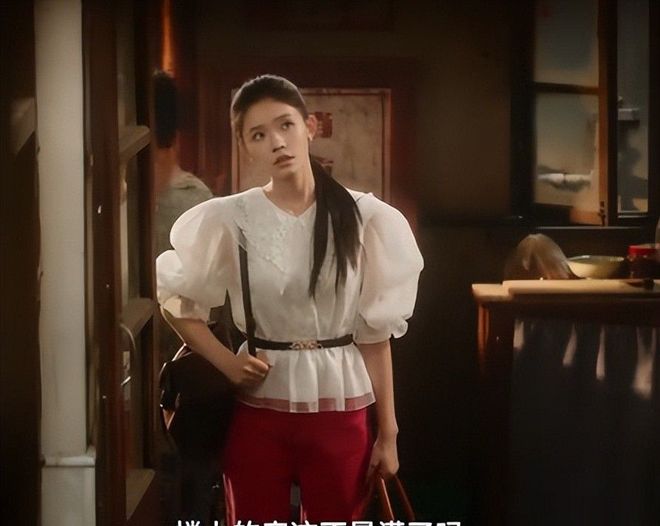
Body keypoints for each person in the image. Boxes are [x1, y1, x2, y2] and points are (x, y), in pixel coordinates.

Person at [156, 74, 424, 522]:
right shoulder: (230, 217)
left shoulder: (363, 216)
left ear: (310, 127)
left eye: (286, 125)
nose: (277, 142)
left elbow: (375, 335)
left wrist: (389, 434)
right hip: (258, 408)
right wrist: (227, 363)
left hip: (341, 407)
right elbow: (175, 298)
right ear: (246, 147)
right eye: (259, 135)